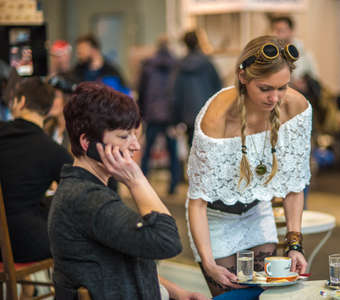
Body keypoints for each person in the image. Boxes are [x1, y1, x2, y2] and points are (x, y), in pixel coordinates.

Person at [48, 82, 209, 300]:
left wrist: (178, 293)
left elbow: (125, 263)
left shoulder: (86, 188)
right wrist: (136, 181)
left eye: (135, 135)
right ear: (87, 142)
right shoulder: (86, 198)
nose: (136, 146)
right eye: (124, 137)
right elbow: (167, 241)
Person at [187, 35, 311, 297]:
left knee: (264, 295)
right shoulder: (217, 118)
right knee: (232, 296)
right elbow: (196, 202)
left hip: (258, 214)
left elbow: (294, 185)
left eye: (282, 87)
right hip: (215, 220)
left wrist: (294, 244)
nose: (274, 98)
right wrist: (208, 265)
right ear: (243, 77)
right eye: (265, 88)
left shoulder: (296, 107)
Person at [0, 76, 73, 298]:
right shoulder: (52, 150)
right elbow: (75, 195)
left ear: (19, 102)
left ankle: (27, 291)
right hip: (24, 244)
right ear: (50, 109)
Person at [138, 36, 181, 194]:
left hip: (152, 114)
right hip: (170, 115)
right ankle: (173, 185)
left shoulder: (148, 65)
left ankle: (142, 184)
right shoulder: (176, 65)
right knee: (173, 152)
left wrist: (141, 112)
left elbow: (142, 90)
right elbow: (178, 92)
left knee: (147, 151)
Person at [173, 30, 222, 146]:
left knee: (192, 148)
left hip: (188, 115)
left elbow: (176, 93)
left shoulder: (180, 66)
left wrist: (176, 118)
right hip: (207, 112)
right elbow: (218, 86)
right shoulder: (208, 63)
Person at [270, 16, 319, 88]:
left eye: (280, 30)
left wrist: (304, 84)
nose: (276, 34)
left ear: (291, 31)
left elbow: (315, 80)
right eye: (274, 30)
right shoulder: (272, 53)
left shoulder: (305, 55)